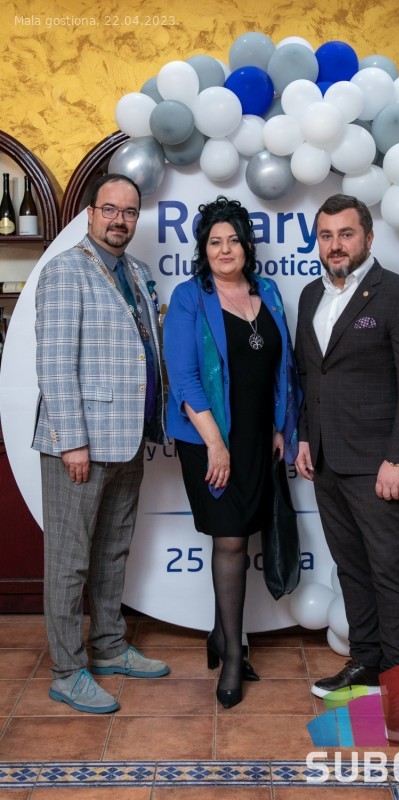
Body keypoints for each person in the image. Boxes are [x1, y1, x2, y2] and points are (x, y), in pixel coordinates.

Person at [294, 193, 399, 740]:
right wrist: (305, 436)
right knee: (352, 568)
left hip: (381, 463)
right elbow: (311, 375)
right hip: (326, 459)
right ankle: (367, 665)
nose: (335, 245)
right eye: (326, 235)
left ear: (369, 238)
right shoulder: (311, 295)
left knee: (390, 572)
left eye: (346, 234)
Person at [33, 173, 170, 714]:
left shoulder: (137, 272)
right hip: (80, 444)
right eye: (110, 209)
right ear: (90, 214)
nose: (120, 220)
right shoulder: (65, 271)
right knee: (70, 561)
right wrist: (71, 442)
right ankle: (68, 671)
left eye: (129, 212)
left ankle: (110, 646)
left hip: (128, 438)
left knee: (113, 549)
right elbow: (54, 363)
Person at [164, 196, 300, 709]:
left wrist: (280, 426)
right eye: (214, 241)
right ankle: (233, 657)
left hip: (258, 438)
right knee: (230, 541)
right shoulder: (189, 297)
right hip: (208, 439)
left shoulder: (268, 292)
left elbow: (282, 368)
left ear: (247, 246)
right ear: (203, 249)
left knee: (245, 532)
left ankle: (220, 636)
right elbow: (184, 379)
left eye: (234, 240)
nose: (225, 249)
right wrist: (216, 445)